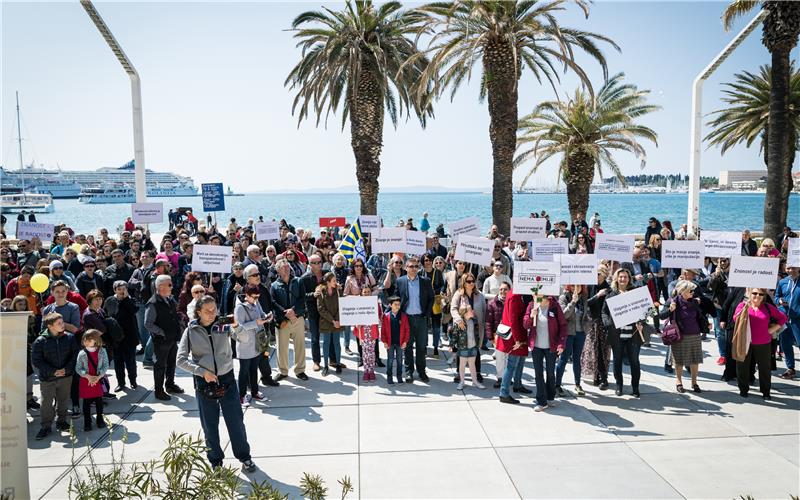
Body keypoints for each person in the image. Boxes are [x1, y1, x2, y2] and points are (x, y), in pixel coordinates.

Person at [176, 295, 257, 472]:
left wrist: (237, 326)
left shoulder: (223, 326)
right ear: (198, 312)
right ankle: (216, 461)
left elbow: (244, 339)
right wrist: (202, 372)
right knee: (209, 424)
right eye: (207, 311)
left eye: (214, 309)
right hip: (204, 382)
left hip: (226, 378)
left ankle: (245, 457)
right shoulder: (191, 330)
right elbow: (180, 360)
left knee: (235, 421)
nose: (212, 313)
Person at [733, 288, 787, 400]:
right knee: (742, 366)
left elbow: (783, 318)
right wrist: (744, 308)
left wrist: (773, 329)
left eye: (760, 294)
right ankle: (743, 389)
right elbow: (735, 319)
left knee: (764, 368)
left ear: (764, 296)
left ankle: (766, 391)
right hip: (745, 341)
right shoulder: (742, 306)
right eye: (754, 293)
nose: (757, 296)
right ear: (749, 293)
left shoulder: (767, 307)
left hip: (763, 343)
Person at [32, 312, 79, 440]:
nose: (63, 325)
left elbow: (75, 355)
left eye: (62, 322)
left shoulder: (69, 338)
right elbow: (37, 361)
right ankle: (46, 426)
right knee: (46, 403)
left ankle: (62, 421)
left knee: (63, 400)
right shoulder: (40, 341)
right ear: (50, 325)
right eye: (59, 323)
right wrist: (53, 371)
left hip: (66, 376)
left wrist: (66, 369)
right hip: (48, 378)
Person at [602, 268, 648, 397]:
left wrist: (642, 322)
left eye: (625, 277)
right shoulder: (611, 294)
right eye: (620, 277)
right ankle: (619, 386)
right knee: (617, 360)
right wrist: (608, 324)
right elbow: (604, 312)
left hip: (633, 333)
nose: (623, 279)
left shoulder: (635, 292)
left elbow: (646, 310)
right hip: (617, 334)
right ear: (616, 278)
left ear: (629, 279)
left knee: (634, 361)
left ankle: (635, 387)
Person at [524, 291, 568, 411]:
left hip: (551, 346)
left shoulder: (554, 306)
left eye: (537, 295)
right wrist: (531, 316)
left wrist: (561, 344)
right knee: (538, 375)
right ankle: (541, 401)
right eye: (534, 295)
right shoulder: (532, 306)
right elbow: (525, 325)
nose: (534, 297)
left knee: (550, 373)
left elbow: (563, 326)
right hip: (536, 347)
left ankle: (550, 397)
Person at [661, 280, 706, 393]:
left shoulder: (694, 301)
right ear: (683, 291)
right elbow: (661, 316)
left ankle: (694, 382)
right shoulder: (673, 301)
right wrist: (670, 310)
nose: (692, 293)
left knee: (695, 360)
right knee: (679, 361)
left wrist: (705, 323)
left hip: (695, 334)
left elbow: (700, 315)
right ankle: (678, 381)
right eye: (690, 291)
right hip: (680, 335)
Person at [145, 274, 184, 400]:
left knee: (172, 362)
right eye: (170, 284)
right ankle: (159, 391)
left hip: (172, 338)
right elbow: (148, 324)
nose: (172, 287)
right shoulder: (153, 303)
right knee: (160, 365)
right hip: (162, 340)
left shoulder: (169, 299)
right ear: (161, 287)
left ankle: (170, 385)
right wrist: (161, 332)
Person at [395, 257, 433, 383]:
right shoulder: (400, 281)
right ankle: (409, 372)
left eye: (416, 266)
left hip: (421, 319)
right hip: (407, 320)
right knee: (408, 347)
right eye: (411, 266)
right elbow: (396, 298)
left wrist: (426, 314)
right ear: (406, 268)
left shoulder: (425, 281)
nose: (414, 269)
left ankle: (421, 372)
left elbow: (431, 298)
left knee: (422, 347)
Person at [270, 259, 308, 381]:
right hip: (283, 320)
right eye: (283, 267)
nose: (286, 269)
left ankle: (300, 370)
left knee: (300, 345)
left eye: (287, 266)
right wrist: (285, 313)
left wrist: (293, 310)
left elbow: (302, 298)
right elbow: (273, 302)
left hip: (297, 317)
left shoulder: (298, 281)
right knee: (282, 347)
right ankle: (283, 371)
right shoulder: (274, 285)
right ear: (277, 270)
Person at [233, 284, 270, 407]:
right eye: (254, 297)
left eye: (257, 297)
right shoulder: (239, 308)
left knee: (254, 369)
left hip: (256, 343)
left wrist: (266, 317)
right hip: (245, 344)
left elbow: (261, 314)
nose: (256, 299)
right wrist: (256, 323)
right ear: (247, 295)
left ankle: (254, 392)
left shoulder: (256, 303)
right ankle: (241, 396)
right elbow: (239, 327)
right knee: (243, 372)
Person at [450, 273, 486, 390]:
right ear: (464, 282)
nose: (471, 283)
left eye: (472, 281)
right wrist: (458, 319)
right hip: (462, 329)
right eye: (468, 281)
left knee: (475, 353)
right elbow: (453, 308)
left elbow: (484, 311)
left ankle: (476, 375)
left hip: (476, 328)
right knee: (462, 355)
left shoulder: (479, 295)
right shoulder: (459, 294)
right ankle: (460, 376)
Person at [103, 280, 139, 391]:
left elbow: (133, 310)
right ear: (115, 290)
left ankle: (133, 380)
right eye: (119, 289)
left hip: (129, 336)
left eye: (124, 289)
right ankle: (121, 382)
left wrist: (126, 299)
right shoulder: (110, 301)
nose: (122, 291)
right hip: (116, 338)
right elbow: (106, 315)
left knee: (131, 361)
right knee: (118, 362)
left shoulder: (131, 300)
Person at [557, 285, 590, 396]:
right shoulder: (563, 297)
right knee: (564, 358)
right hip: (568, 333)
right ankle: (557, 385)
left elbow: (586, 314)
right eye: (574, 285)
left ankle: (577, 384)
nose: (577, 287)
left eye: (579, 285)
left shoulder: (584, 298)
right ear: (569, 286)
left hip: (580, 333)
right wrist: (573, 302)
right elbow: (563, 315)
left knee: (577, 359)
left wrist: (587, 326)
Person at [75, 329, 109, 432]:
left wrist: (98, 377)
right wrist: (88, 376)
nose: (86, 341)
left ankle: (100, 419)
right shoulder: (81, 353)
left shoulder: (102, 351)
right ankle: (87, 422)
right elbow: (78, 368)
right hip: (86, 381)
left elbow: (105, 365)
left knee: (99, 401)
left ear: (96, 340)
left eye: (89, 339)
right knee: (86, 403)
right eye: (85, 339)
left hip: (97, 380)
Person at [316, 272, 344, 376]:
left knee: (337, 343)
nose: (335, 282)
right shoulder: (320, 292)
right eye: (333, 280)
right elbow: (321, 309)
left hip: (337, 321)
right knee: (326, 343)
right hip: (326, 322)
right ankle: (326, 366)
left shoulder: (338, 291)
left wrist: (337, 320)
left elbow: (342, 305)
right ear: (327, 282)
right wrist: (332, 320)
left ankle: (338, 364)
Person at [776, 266, 799, 379]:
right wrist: (779, 301)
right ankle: (790, 369)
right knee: (785, 344)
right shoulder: (782, 282)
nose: (790, 270)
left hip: (797, 319)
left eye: (793, 268)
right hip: (784, 318)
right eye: (788, 268)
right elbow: (777, 296)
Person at [485, 282, 510, 388]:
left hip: (510, 335)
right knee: (499, 358)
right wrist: (490, 336)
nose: (503, 291)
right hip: (497, 335)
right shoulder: (492, 303)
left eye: (505, 289)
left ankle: (507, 377)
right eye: (501, 289)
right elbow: (488, 322)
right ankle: (500, 378)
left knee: (508, 358)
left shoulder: (512, 302)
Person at [380, 296, 409, 384]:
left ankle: (399, 375)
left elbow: (407, 329)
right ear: (390, 305)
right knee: (390, 360)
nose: (397, 306)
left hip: (400, 343)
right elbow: (383, 330)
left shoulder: (403, 316)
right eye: (395, 304)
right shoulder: (386, 316)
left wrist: (405, 341)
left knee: (400, 360)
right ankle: (389, 376)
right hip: (390, 343)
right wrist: (384, 341)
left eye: (399, 304)